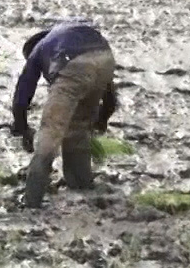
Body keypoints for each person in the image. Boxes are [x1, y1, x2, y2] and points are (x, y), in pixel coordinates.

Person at [9, 19, 119, 208]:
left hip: (72, 65)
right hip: (106, 58)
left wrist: (22, 128)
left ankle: (31, 200)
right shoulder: (67, 36)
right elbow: (109, 96)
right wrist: (101, 121)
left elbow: (23, 92)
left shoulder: (39, 49)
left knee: (49, 135)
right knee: (77, 130)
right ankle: (82, 186)